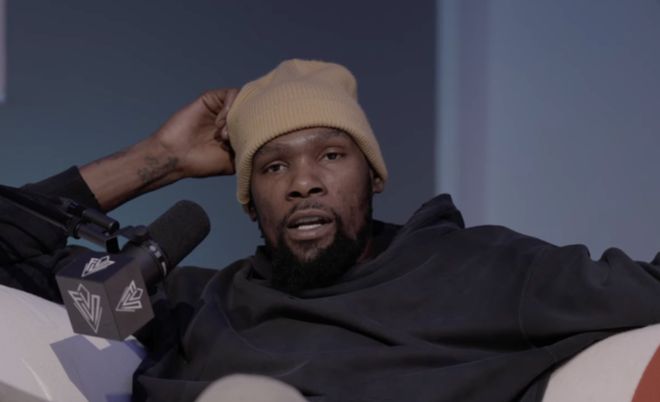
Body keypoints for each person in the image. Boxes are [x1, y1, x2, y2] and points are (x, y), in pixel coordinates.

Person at [2, 59, 660, 402]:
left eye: (332, 155)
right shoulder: (195, 306)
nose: (304, 182)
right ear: (250, 203)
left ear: (373, 177)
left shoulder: (482, 272)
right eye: (273, 166)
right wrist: (157, 159)